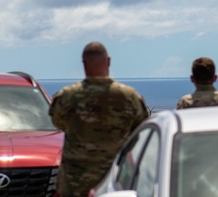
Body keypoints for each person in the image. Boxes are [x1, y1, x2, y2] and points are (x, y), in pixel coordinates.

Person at [50, 42, 150, 197]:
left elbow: (58, 122)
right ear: (108, 61)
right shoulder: (129, 97)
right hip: (114, 180)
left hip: (75, 182)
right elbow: (140, 129)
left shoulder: (67, 97)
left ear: (83, 64)